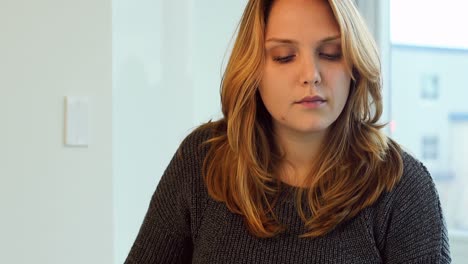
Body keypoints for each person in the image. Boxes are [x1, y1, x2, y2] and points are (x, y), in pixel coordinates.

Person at [125, 0, 451, 263]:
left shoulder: (403, 190)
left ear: (354, 63)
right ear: (254, 69)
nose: (311, 75)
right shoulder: (201, 162)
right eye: (284, 57)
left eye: (330, 53)